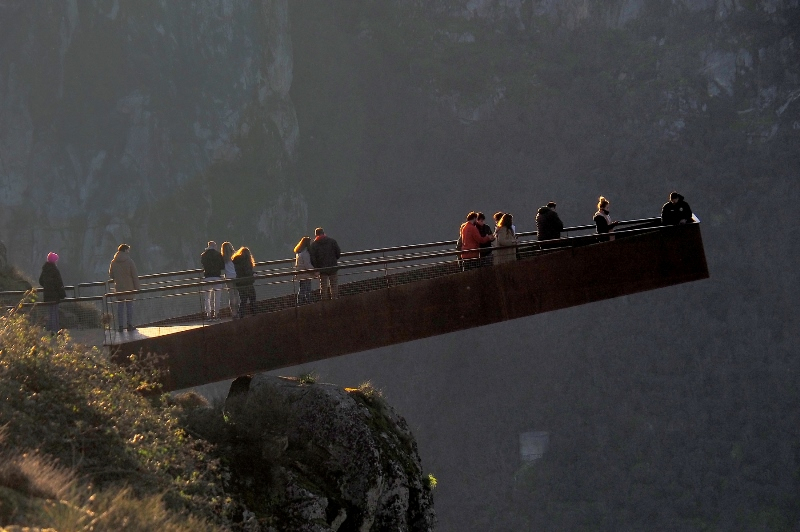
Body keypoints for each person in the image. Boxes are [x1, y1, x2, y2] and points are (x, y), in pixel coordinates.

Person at [109, 244, 141, 332]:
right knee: (129, 307)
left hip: (119, 288)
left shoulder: (113, 262)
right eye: (128, 250)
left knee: (120, 308)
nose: (129, 251)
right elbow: (134, 275)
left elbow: (111, 275)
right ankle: (129, 325)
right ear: (125, 250)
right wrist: (137, 287)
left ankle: (120, 327)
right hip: (129, 287)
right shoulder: (129, 261)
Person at [309, 227, 341, 300]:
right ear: (323, 233)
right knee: (334, 285)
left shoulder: (314, 245)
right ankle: (334, 299)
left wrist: (316, 267)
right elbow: (338, 254)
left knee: (323, 286)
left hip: (322, 269)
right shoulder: (332, 241)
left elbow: (313, 259)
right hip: (333, 267)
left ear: (316, 235)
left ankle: (324, 301)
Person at [38, 252, 66, 333]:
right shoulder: (54, 270)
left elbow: (41, 281)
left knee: (50, 312)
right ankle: (55, 330)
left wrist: (47, 287)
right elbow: (59, 283)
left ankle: (49, 329)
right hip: (55, 295)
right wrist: (62, 294)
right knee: (55, 312)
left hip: (47, 295)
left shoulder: (45, 269)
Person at [200, 241, 225, 320]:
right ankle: (216, 314)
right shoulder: (218, 254)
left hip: (207, 277)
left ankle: (208, 315)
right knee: (217, 297)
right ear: (214, 246)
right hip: (217, 277)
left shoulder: (203, 255)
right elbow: (222, 266)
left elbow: (203, 265)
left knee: (207, 298)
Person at [232, 246, 256, 318]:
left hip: (239, 282)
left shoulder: (236, 261)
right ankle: (254, 314)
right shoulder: (246, 260)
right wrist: (253, 273)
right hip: (247, 282)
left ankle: (241, 315)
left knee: (243, 300)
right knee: (252, 298)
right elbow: (247, 271)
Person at [294, 236, 314, 305]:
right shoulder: (305, 253)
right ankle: (307, 302)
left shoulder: (299, 252)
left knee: (302, 287)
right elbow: (307, 264)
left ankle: (300, 302)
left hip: (300, 273)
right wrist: (315, 271)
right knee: (307, 288)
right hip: (305, 274)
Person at [221, 241, 239, 318]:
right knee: (236, 294)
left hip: (228, 278)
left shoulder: (223, 258)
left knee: (231, 294)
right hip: (236, 277)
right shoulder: (235, 255)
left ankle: (233, 312)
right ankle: (237, 310)